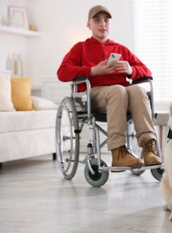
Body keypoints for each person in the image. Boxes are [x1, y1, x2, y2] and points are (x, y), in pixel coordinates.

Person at [57, 5, 162, 169]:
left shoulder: (121, 49)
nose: (102, 24)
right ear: (88, 24)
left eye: (106, 20)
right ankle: (118, 152)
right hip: (97, 95)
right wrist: (93, 70)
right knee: (118, 90)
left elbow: (147, 71)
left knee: (138, 89)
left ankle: (149, 149)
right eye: (97, 20)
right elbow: (62, 73)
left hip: (123, 95)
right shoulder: (80, 48)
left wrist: (131, 70)